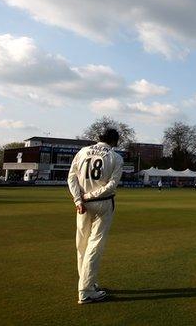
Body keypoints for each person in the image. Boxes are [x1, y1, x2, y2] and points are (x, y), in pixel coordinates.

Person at [67, 128, 123, 304]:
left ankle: (88, 283)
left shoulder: (82, 152)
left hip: (82, 205)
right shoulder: (116, 157)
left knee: (81, 245)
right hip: (103, 203)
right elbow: (112, 185)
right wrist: (88, 197)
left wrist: (78, 200)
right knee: (94, 245)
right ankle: (85, 290)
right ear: (114, 141)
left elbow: (71, 178)